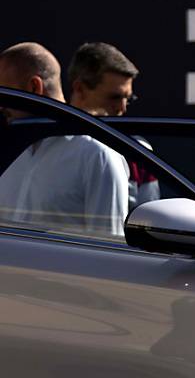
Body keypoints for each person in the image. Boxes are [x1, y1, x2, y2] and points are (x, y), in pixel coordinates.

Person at [0, 42, 128, 238]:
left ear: (34, 87)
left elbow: (110, 248)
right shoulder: (9, 148)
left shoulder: (97, 154)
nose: (1, 106)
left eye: (6, 94)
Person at [68, 42, 157, 209]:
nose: (122, 108)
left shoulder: (138, 151)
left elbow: (150, 216)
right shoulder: (44, 144)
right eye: (114, 97)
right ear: (79, 89)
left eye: (128, 99)